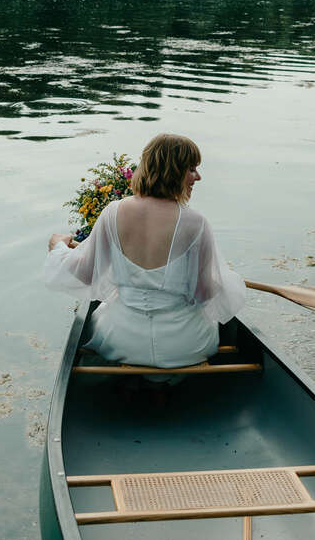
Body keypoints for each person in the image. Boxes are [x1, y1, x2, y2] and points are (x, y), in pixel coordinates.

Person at [44, 133, 246, 369]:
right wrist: (223, 275)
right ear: (173, 171)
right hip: (185, 345)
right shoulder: (196, 223)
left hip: (120, 340)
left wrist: (58, 247)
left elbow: (85, 273)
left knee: (104, 316)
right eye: (191, 169)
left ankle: (137, 387)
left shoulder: (112, 212)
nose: (198, 177)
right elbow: (204, 294)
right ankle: (169, 381)